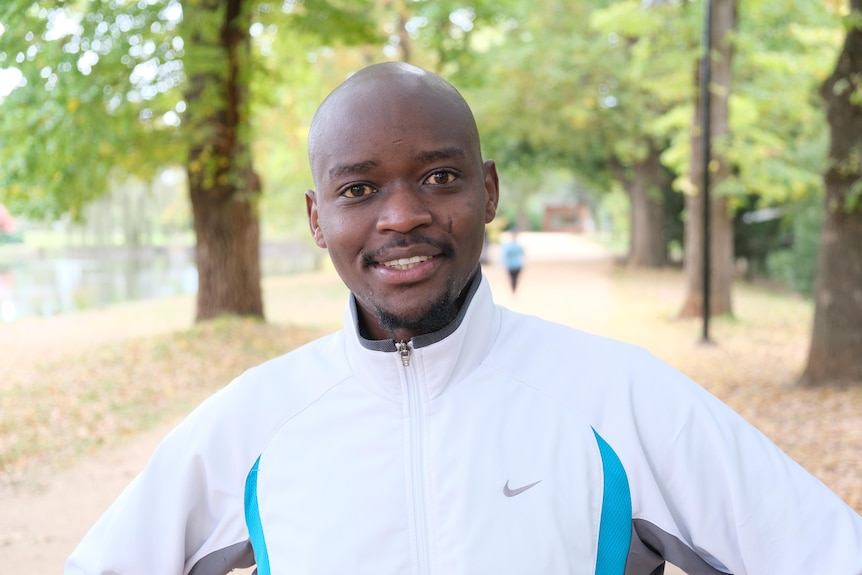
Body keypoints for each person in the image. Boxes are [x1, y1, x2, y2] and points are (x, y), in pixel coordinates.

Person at [66, 62, 862, 575]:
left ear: (487, 192)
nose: (401, 216)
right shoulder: (258, 419)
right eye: (359, 189)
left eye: (438, 176)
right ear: (317, 217)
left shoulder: (618, 399)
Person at [500, 229, 525, 293]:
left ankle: (513, 289)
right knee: (514, 279)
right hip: (515, 265)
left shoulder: (510, 246)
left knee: (513, 278)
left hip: (513, 265)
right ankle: (514, 289)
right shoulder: (516, 245)